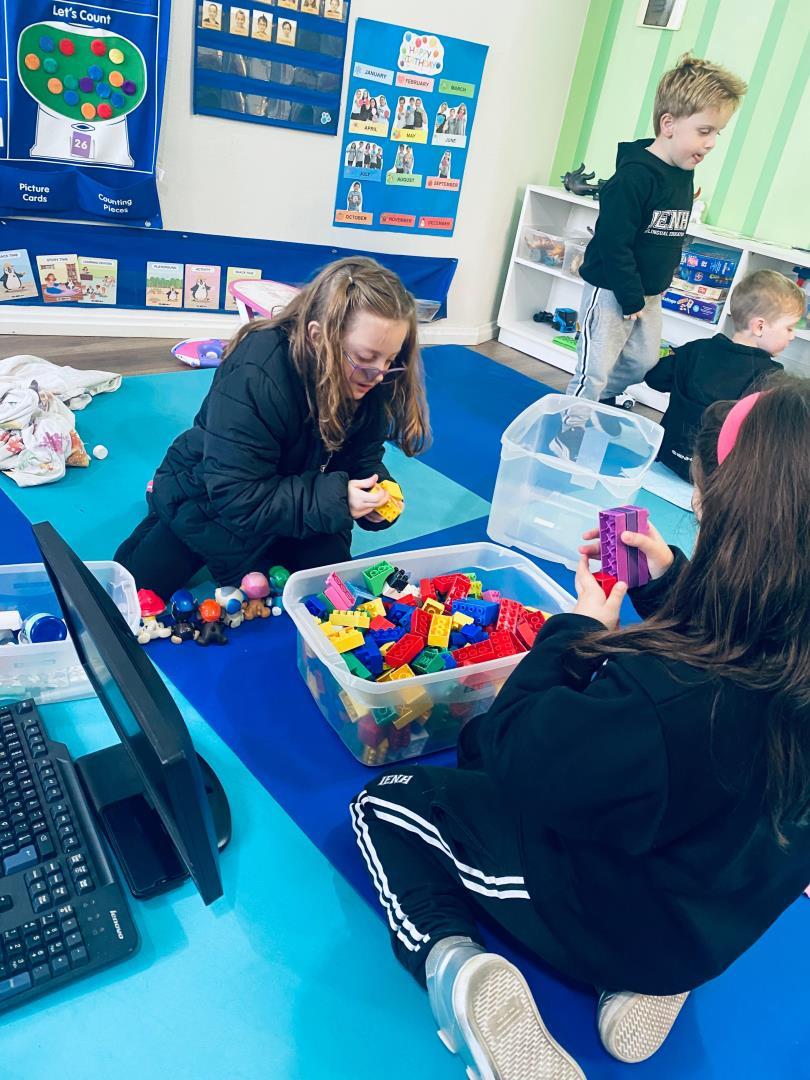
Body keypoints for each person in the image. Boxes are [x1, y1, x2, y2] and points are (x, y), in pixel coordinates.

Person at [351, 375, 810, 1080]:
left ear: (729, 519)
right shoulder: (782, 651)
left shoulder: (666, 701)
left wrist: (575, 634)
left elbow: (518, 755)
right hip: (711, 918)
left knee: (384, 805)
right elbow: (747, 633)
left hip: (611, 909)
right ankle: (647, 982)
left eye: (699, 504)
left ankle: (455, 972)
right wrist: (670, 582)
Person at [115, 258, 430, 598]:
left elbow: (362, 457)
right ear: (317, 338)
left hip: (297, 496)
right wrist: (338, 499)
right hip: (215, 497)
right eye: (366, 358)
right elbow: (236, 495)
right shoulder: (256, 372)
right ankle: (158, 502)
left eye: (390, 360)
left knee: (330, 586)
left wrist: (376, 492)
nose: (379, 374)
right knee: (138, 588)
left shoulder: (373, 378)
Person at [555, 55, 747, 456]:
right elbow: (613, 243)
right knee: (595, 367)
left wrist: (660, 279)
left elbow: (666, 233)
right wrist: (629, 296)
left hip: (649, 292)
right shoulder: (633, 178)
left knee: (642, 363)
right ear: (669, 124)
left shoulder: (682, 173)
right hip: (613, 290)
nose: (711, 143)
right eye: (705, 131)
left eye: (717, 133)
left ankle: (601, 403)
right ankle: (570, 430)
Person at [644, 269, 802, 479]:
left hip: (667, 454)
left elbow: (655, 378)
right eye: (789, 328)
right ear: (759, 327)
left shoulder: (697, 349)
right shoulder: (770, 376)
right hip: (715, 475)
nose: (792, 336)